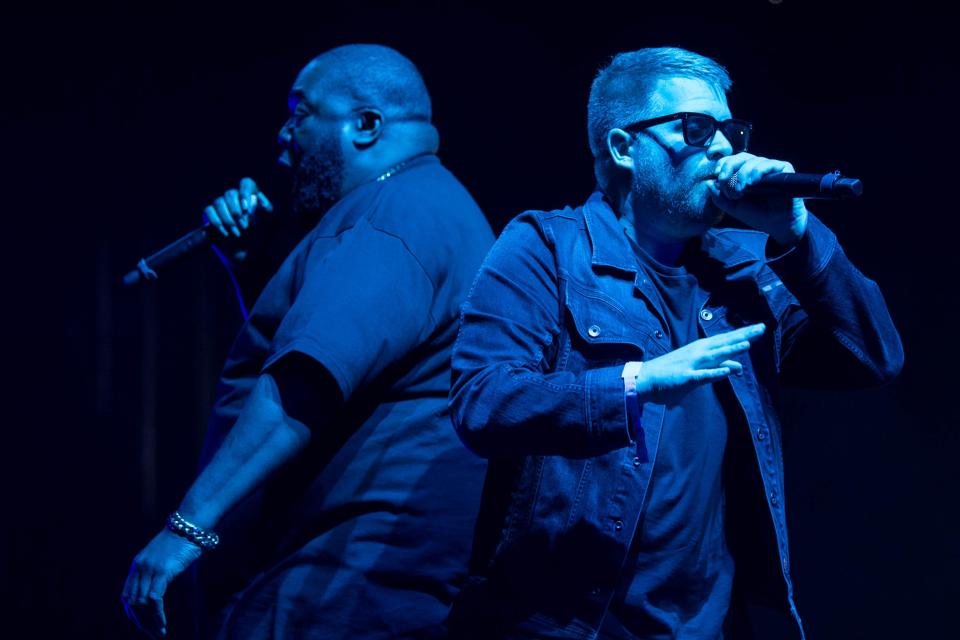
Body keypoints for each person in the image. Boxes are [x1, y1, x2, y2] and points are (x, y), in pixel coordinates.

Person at [445, 47, 903, 639]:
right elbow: (482, 402)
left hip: (706, 627)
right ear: (623, 148)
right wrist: (637, 384)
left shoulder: (745, 269)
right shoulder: (545, 248)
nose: (721, 148)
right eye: (696, 128)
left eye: (729, 131)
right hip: (569, 622)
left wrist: (797, 232)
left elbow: (873, 356)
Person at [121, 44, 495, 639]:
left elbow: (307, 380)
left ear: (366, 125)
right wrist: (249, 266)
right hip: (345, 578)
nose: (283, 134)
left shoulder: (392, 219)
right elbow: (334, 355)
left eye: (300, 113)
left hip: (341, 584)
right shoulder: (413, 206)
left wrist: (187, 527)